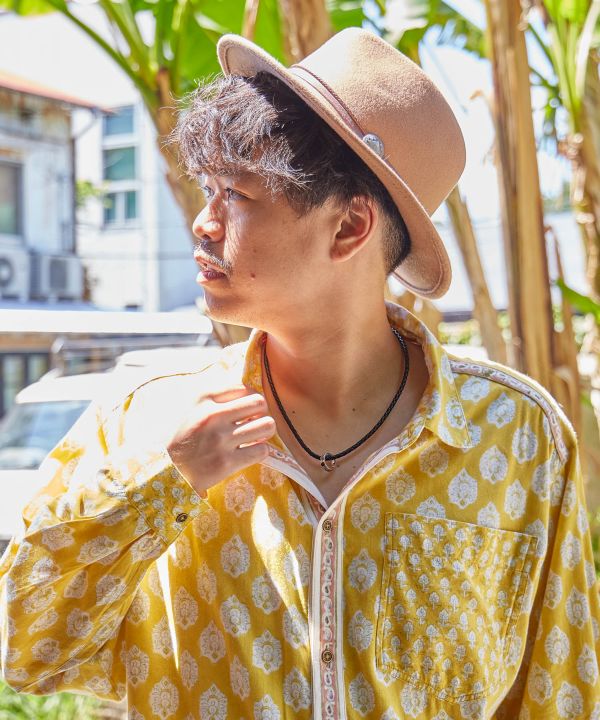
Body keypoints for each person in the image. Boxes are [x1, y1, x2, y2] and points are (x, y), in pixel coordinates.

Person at [1, 27, 599, 720]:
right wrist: (161, 480)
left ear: (348, 228)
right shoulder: (144, 420)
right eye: (207, 189)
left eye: (236, 194)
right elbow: (25, 652)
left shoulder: (518, 438)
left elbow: (559, 695)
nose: (203, 223)